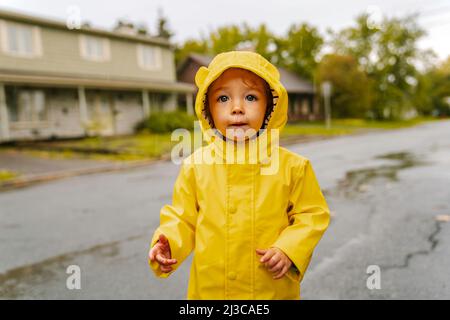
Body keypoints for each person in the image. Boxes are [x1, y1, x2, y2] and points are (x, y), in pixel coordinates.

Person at [148, 51, 330, 299]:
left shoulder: (293, 167)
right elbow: (182, 218)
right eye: (223, 98)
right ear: (207, 110)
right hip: (211, 291)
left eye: (251, 97)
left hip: (269, 291)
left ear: (269, 108)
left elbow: (312, 215)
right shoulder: (195, 166)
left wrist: (289, 249)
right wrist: (168, 241)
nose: (236, 108)